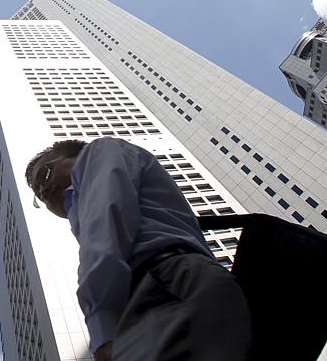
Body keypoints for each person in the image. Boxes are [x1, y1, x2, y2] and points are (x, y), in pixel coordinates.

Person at [25, 137, 252, 361]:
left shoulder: (98, 151)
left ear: (73, 155)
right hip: (164, 287)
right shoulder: (82, 208)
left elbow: (105, 227)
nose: (43, 190)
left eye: (44, 174)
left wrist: (101, 324)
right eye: (39, 195)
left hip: (166, 282)